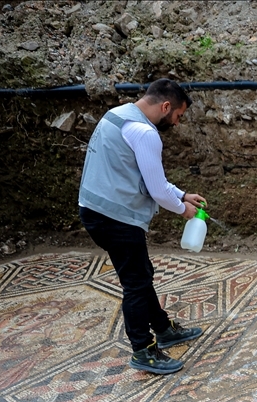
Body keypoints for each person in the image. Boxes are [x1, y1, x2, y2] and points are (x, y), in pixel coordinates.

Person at [78, 78, 206, 374]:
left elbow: (146, 177)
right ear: (165, 106)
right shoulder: (146, 133)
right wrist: (182, 208)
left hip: (95, 210)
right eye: (177, 116)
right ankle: (143, 350)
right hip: (115, 218)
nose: (176, 123)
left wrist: (183, 194)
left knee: (140, 272)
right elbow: (157, 191)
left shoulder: (118, 115)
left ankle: (163, 328)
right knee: (135, 283)